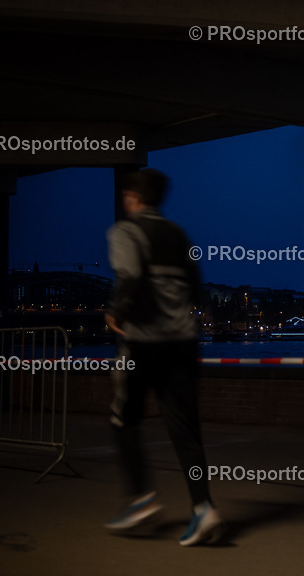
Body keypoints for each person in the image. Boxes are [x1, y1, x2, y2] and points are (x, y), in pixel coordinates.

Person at [104, 168, 224, 546]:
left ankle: (140, 499)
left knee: (124, 417)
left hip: (144, 344)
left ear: (132, 198)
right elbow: (196, 289)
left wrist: (116, 312)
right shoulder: (179, 234)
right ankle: (203, 508)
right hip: (184, 344)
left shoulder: (125, 231)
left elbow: (132, 275)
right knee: (186, 429)